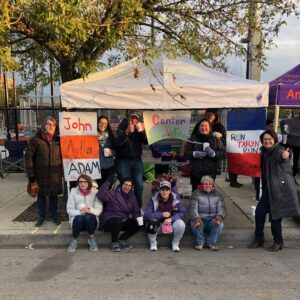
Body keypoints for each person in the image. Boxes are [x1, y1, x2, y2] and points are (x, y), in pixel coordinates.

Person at [248, 130, 300, 251]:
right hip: (268, 189)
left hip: (279, 189)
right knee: (260, 213)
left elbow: (284, 155)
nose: (267, 141)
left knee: (275, 216)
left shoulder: (278, 150)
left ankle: (278, 241)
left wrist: (287, 155)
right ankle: (259, 239)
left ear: (274, 139)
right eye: (265, 139)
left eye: (269, 139)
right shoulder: (264, 151)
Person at [25, 116, 63, 227]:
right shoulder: (35, 140)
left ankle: (54, 217)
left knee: (54, 197)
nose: (51, 127)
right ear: (44, 125)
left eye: (53, 125)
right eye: (49, 124)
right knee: (41, 197)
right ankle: (41, 217)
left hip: (55, 175)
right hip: (40, 175)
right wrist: (31, 177)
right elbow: (28, 158)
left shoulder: (58, 140)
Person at [96, 176, 142, 252]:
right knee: (118, 221)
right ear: (121, 184)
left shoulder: (132, 196)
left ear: (131, 187)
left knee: (139, 223)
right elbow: (100, 195)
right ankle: (114, 242)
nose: (127, 187)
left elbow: (136, 211)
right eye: (125, 184)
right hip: (109, 221)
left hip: (122, 221)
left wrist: (138, 219)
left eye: (129, 185)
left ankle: (122, 239)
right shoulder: (113, 193)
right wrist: (108, 181)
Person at [115, 112, 148, 208]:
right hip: (123, 161)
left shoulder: (138, 128)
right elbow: (117, 142)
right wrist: (126, 132)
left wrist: (143, 132)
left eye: (136, 119)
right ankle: (125, 207)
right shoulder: (121, 127)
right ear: (127, 118)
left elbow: (146, 142)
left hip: (137, 160)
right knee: (126, 186)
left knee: (139, 186)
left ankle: (137, 208)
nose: (134, 121)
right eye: (132, 118)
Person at [144, 180, 186, 252]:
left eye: (167, 190)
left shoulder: (175, 199)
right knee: (151, 221)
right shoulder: (153, 199)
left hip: (171, 226)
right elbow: (146, 215)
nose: (164, 192)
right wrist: (161, 214)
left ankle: (175, 243)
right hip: (158, 226)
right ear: (159, 190)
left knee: (181, 224)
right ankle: (153, 243)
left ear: (170, 191)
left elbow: (183, 212)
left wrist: (171, 219)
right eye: (162, 190)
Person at [66, 174, 103, 252]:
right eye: (80, 182)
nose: (82, 184)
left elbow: (99, 209)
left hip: (91, 221)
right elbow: (69, 210)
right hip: (77, 221)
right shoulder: (73, 192)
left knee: (88, 217)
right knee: (79, 218)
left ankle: (92, 238)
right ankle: (74, 240)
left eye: (85, 182)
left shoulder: (95, 192)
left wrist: (89, 210)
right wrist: (80, 212)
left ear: (89, 183)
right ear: (78, 183)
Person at [189, 175, 226, 251]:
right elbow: (192, 208)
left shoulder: (218, 194)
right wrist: (196, 218)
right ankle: (200, 242)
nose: (208, 186)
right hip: (200, 219)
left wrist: (219, 217)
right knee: (194, 223)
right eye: (205, 184)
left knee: (220, 224)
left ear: (213, 185)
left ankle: (210, 242)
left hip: (212, 220)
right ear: (202, 184)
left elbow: (222, 208)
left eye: (210, 184)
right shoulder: (196, 193)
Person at [186, 118, 225, 190]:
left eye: (206, 126)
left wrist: (214, 154)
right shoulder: (192, 139)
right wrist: (194, 154)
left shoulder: (216, 139)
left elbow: (222, 154)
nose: (204, 128)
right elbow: (185, 153)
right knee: (196, 192)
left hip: (210, 172)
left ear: (210, 127)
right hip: (195, 172)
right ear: (198, 127)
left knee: (208, 193)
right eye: (202, 125)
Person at [96, 115, 116, 188]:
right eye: (100, 122)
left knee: (107, 189)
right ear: (97, 123)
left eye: (105, 123)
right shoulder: (92, 136)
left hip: (109, 167)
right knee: (98, 188)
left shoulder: (111, 136)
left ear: (107, 125)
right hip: (96, 167)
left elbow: (116, 150)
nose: (102, 125)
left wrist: (111, 153)